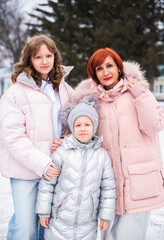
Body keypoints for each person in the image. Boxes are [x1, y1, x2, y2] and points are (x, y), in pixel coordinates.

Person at [74, 47, 164, 240]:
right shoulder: (90, 101)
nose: (105, 72)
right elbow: (82, 136)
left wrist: (139, 95)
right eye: (99, 68)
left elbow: (154, 126)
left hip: (139, 182)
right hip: (107, 185)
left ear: (119, 67)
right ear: (94, 74)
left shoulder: (139, 93)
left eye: (109, 65)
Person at [0, 35, 74, 240]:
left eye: (48, 55)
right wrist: (42, 164)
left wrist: (66, 141)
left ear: (55, 57)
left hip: (57, 168)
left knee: (48, 226)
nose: (44, 61)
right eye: (38, 56)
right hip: (26, 170)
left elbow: (75, 124)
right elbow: (13, 137)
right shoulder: (15, 93)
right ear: (29, 60)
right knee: (25, 228)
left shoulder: (65, 89)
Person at [35, 95, 116, 240]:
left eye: (87, 125)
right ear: (72, 127)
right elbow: (47, 184)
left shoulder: (102, 156)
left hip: (87, 225)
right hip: (59, 222)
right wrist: (43, 212)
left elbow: (108, 188)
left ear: (94, 127)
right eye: (78, 125)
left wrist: (105, 215)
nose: (83, 129)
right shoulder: (62, 152)